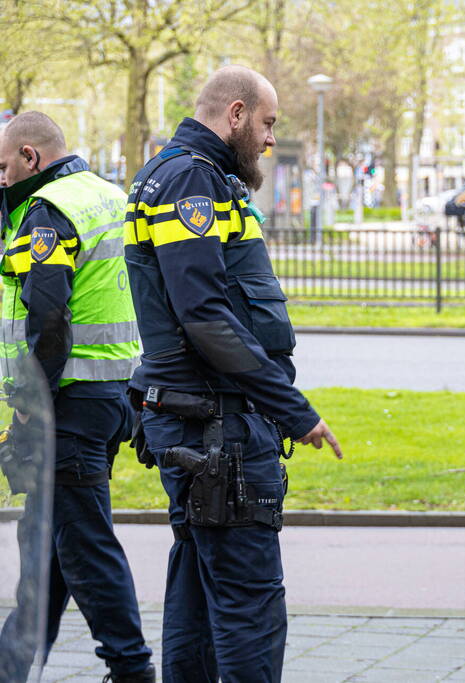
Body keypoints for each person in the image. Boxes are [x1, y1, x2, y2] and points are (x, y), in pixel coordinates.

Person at [123, 65, 343, 683]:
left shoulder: (185, 173)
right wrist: (295, 411)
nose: (272, 138)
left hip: (201, 422)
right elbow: (204, 313)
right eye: (269, 123)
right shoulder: (192, 179)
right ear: (237, 113)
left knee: (196, 598)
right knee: (249, 607)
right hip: (216, 429)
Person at [0, 112, 155, 682]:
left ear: (31, 158)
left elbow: (48, 316)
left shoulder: (49, 212)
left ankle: (133, 669)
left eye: (3, 165)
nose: (1, 177)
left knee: (85, 545)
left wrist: (27, 405)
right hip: (112, 394)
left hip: (67, 405)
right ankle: (12, 668)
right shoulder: (109, 197)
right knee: (47, 547)